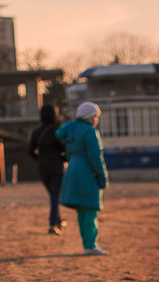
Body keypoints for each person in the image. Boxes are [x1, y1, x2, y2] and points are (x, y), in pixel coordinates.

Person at [55, 102, 109, 256]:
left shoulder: (70, 129)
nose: (97, 120)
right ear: (91, 117)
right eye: (96, 117)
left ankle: (88, 244)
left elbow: (59, 136)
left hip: (72, 170)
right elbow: (95, 157)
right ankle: (91, 245)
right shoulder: (89, 131)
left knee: (81, 212)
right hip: (86, 172)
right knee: (91, 210)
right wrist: (102, 177)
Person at [27, 103, 66, 235]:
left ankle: (58, 220)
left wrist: (40, 159)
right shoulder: (57, 131)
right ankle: (53, 224)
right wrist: (63, 159)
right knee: (55, 196)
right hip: (56, 167)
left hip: (42, 168)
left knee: (53, 195)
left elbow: (30, 151)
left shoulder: (36, 132)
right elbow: (64, 149)